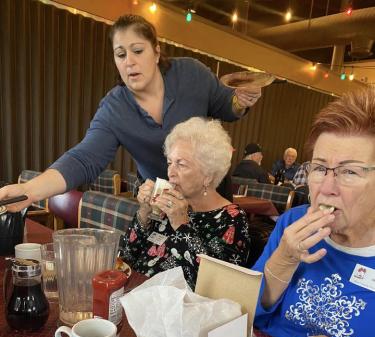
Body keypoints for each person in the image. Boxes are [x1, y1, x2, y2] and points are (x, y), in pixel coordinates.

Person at [0, 14, 261, 212]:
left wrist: (242, 100)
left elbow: (226, 106)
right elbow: (84, 159)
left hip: (210, 192)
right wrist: (29, 191)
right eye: (120, 54)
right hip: (162, 199)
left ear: (156, 52)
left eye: (138, 51)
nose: (129, 62)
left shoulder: (192, 73)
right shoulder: (115, 108)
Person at [253, 87, 375, 337]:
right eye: (320, 168)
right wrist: (284, 257)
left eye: (349, 172)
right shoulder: (293, 221)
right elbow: (245, 312)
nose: (327, 187)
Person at [119, 117, 251, 289]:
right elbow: (126, 257)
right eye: (170, 163)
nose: (170, 172)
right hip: (134, 296)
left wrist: (182, 225)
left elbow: (216, 288)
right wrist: (144, 212)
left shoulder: (233, 220)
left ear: (208, 175)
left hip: (178, 311)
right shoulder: (168, 204)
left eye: (181, 164)